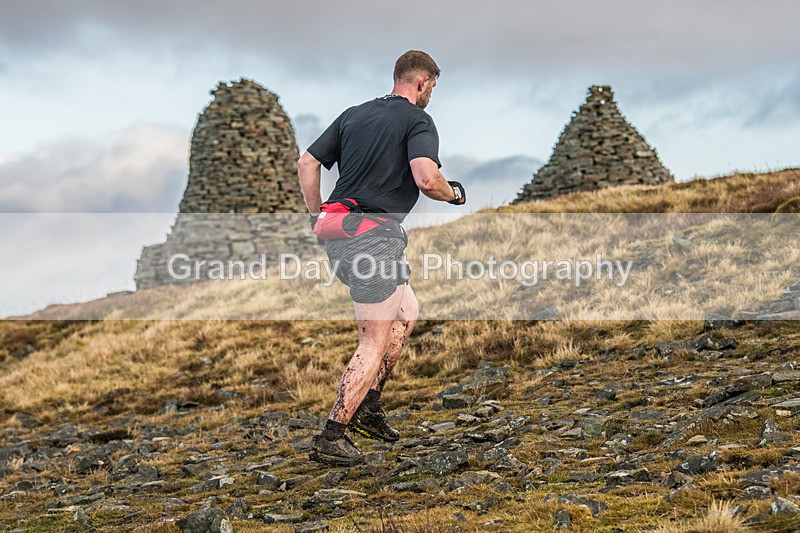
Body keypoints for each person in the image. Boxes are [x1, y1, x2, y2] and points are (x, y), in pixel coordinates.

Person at [296, 50, 466, 466]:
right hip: (372, 239)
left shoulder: (353, 114)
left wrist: (317, 215)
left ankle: (369, 408)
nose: (431, 96)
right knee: (373, 339)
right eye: (433, 88)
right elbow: (427, 178)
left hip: (341, 233)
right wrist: (454, 193)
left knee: (407, 310)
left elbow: (307, 163)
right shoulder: (417, 120)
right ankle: (333, 435)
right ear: (422, 83)